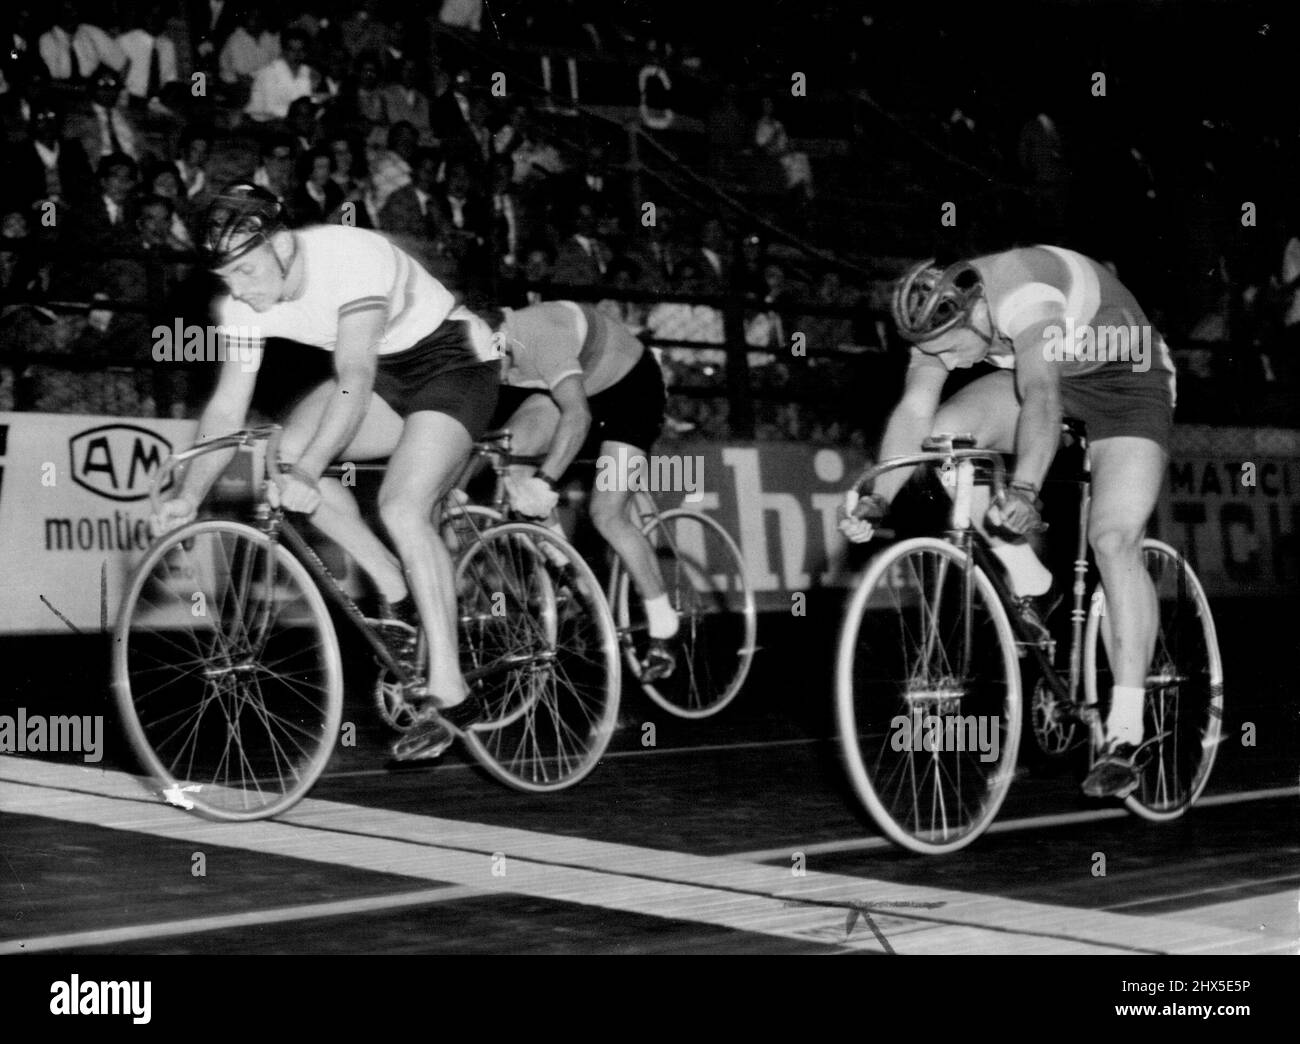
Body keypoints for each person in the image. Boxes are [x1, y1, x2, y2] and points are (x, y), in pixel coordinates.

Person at [153, 183, 501, 760]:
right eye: (227, 277)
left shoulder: (348, 256)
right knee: (279, 456)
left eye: (247, 270)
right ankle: (395, 588)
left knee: (400, 505)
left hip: (453, 362)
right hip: (385, 376)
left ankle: (451, 689)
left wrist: (313, 471)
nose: (240, 289)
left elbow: (354, 378)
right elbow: (225, 410)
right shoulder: (239, 302)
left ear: (283, 246)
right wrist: (191, 493)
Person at [839, 247, 1177, 799]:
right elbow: (914, 411)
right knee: (945, 440)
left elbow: (1040, 394)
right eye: (933, 352)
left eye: (951, 348)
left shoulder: (1024, 292)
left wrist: (1023, 488)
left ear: (973, 311)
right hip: (1044, 375)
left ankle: (1126, 729)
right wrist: (877, 497)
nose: (947, 360)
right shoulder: (938, 318)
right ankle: (1028, 576)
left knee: (1113, 540)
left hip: (1126, 381)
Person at [488, 300, 679, 679]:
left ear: (501, 338)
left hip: (629, 394)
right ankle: (572, 576)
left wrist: (546, 483)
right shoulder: (490, 350)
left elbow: (578, 417)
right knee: (510, 452)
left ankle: (663, 626)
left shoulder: (539, 335)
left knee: (607, 514)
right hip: (568, 389)